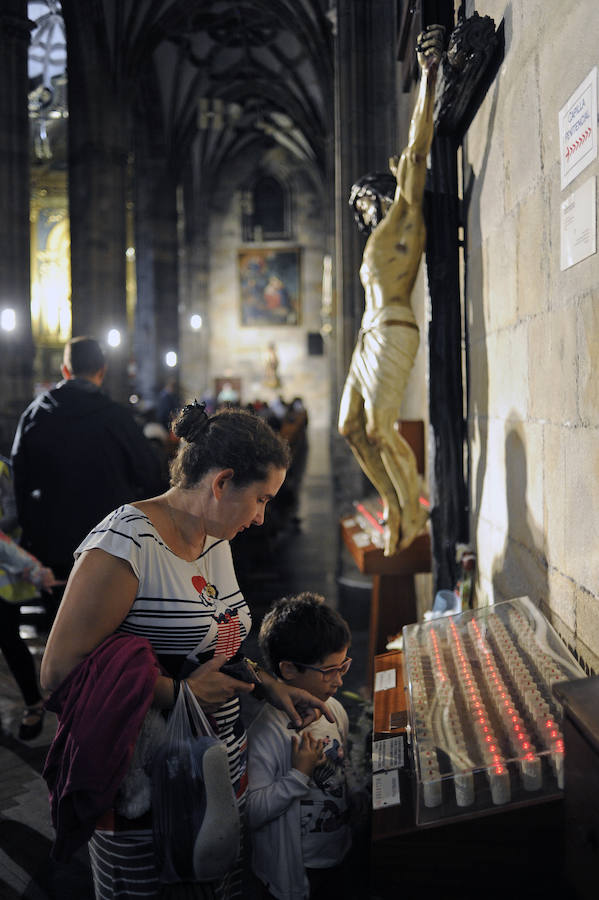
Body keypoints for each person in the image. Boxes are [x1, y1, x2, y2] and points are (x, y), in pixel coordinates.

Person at [40, 402, 333, 900]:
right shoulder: (127, 541)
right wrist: (176, 692)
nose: (262, 518)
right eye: (260, 499)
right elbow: (58, 671)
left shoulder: (215, 536)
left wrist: (268, 684)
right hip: (151, 782)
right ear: (221, 484)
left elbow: (215, 638)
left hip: (218, 766)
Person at [338, 25, 445, 557]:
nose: (360, 213)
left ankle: (415, 507)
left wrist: (427, 76)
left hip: (394, 327)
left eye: (363, 203)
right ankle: (393, 503)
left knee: (381, 427)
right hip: (367, 334)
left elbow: (418, 146)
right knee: (351, 426)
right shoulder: (379, 238)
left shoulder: (404, 212)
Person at [11, 336, 163, 597]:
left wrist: (30, 531)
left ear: (65, 370)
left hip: (52, 543)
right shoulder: (118, 418)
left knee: (57, 626)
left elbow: (18, 479)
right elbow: (150, 475)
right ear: (102, 371)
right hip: (109, 545)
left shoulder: (35, 414)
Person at [247, 592, 355, 900]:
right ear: (290, 670)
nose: (339, 682)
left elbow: (340, 768)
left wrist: (355, 794)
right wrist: (298, 775)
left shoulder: (335, 711)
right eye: (329, 671)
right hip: (295, 871)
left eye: (343, 667)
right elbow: (251, 811)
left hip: (337, 851)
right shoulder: (268, 734)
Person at [0, 455, 61, 739]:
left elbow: (14, 516)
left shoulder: (2, 469)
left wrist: (35, 572)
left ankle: (33, 702)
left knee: (9, 640)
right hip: (11, 565)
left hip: (5, 579)